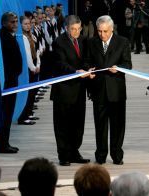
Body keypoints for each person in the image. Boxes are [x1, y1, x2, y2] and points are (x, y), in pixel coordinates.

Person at [86, 15, 132, 165]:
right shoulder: (92, 42)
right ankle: (101, 155)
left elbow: (128, 65)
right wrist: (89, 70)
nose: (102, 34)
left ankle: (117, 155)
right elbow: (87, 61)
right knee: (100, 125)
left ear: (112, 29)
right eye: (99, 31)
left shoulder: (123, 42)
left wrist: (118, 69)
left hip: (116, 91)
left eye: (105, 31)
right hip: (98, 90)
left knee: (118, 125)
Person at [51, 15, 91, 166]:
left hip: (79, 89)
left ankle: (74, 151)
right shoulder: (59, 42)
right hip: (64, 90)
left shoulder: (82, 40)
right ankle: (63, 155)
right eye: (73, 29)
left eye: (79, 29)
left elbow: (85, 59)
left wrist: (87, 68)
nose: (76, 32)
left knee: (78, 123)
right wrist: (76, 71)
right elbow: (60, 64)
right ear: (66, 28)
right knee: (62, 124)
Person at [0, 12, 22, 153]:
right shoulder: (3, 37)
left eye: (16, 21)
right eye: (12, 22)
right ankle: (2, 144)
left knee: (8, 113)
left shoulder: (8, 36)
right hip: (7, 82)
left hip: (12, 80)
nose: (15, 25)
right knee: (5, 113)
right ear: (5, 23)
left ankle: (4, 142)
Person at [17, 16, 40, 125]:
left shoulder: (31, 36)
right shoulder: (22, 37)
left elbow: (37, 52)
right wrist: (33, 68)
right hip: (29, 68)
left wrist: (38, 64)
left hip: (35, 65)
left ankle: (29, 112)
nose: (28, 25)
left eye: (29, 23)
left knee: (33, 92)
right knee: (29, 93)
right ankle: (23, 116)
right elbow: (27, 55)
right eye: (25, 24)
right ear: (21, 25)